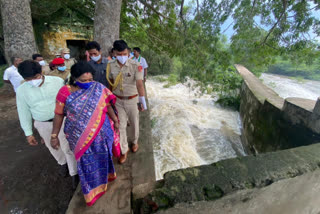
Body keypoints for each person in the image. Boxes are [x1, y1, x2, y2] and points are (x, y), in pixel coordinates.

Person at [50, 61, 119, 206]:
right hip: (79, 136)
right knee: (86, 162)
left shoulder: (98, 87)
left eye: (90, 80)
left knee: (103, 156)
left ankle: (106, 178)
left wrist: (115, 120)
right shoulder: (65, 92)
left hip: (102, 133)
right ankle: (91, 191)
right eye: (83, 81)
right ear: (74, 78)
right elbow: (58, 114)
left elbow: (107, 105)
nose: (88, 83)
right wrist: (54, 135)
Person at [16, 60, 78, 187]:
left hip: (62, 119)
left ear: (41, 72)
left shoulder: (57, 82)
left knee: (67, 147)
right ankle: (62, 164)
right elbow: (23, 112)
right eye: (29, 79)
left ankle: (74, 173)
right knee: (53, 147)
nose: (33, 81)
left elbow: (69, 99)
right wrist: (29, 133)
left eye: (36, 77)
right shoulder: (22, 91)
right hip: (42, 123)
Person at [107, 40, 147, 164]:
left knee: (134, 123)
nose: (122, 56)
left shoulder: (136, 65)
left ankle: (135, 142)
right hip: (118, 100)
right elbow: (110, 82)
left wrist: (142, 101)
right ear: (114, 53)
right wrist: (109, 100)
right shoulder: (110, 65)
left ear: (128, 52)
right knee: (121, 126)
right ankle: (124, 150)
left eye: (125, 53)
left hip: (132, 99)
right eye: (119, 54)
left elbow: (140, 84)